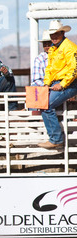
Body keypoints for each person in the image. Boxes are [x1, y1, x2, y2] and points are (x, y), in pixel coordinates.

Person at [38, 20, 77, 149]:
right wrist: (46, 83)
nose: (53, 37)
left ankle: (56, 139)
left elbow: (74, 69)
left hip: (70, 84)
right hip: (57, 83)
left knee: (46, 105)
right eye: (51, 35)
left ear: (62, 33)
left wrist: (62, 84)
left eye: (56, 34)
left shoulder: (70, 47)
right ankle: (56, 137)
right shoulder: (54, 49)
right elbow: (49, 69)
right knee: (41, 103)